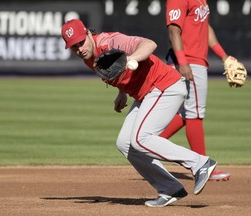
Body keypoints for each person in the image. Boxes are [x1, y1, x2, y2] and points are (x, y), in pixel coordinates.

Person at [61, 19, 217, 207]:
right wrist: (122, 93)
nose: (79, 48)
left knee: (141, 138)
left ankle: (200, 163)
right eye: (73, 46)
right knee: (125, 143)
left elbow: (149, 44)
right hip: (147, 94)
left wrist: (130, 58)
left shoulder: (111, 41)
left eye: (80, 41)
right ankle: (169, 188)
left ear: (87, 34)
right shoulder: (89, 58)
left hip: (165, 86)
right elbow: (118, 73)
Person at [161, 0, 230, 181]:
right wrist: (183, 62)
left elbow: (205, 28)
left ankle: (149, 145)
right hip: (189, 60)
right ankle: (203, 167)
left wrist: (224, 56)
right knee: (195, 113)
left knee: (186, 113)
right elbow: (173, 30)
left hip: (195, 60)